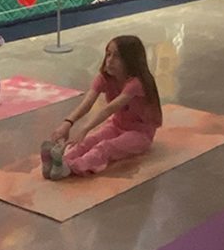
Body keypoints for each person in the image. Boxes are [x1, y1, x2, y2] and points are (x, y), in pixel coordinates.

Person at [40, 35, 162, 180]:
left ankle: (72, 167)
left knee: (105, 147)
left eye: (116, 56)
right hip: (117, 125)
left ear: (129, 60)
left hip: (140, 134)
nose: (109, 60)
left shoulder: (136, 83)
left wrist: (85, 128)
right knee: (89, 141)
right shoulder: (104, 78)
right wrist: (68, 123)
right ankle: (58, 161)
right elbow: (87, 103)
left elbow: (109, 109)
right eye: (108, 54)